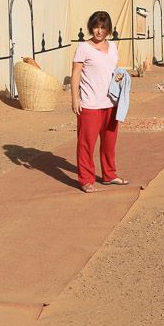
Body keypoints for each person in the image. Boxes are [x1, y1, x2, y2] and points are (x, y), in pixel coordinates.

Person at [71, 11, 129, 193]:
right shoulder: (83, 47)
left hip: (111, 103)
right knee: (86, 144)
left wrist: (120, 78)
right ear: (91, 27)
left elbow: (112, 71)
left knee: (109, 143)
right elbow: (76, 74)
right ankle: (86, 180)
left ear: (108, 29)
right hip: (90, 104)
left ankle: (109, 175)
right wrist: (74, 98)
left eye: (103, 27)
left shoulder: (113, 46)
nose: (99, 31)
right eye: (96, 27)